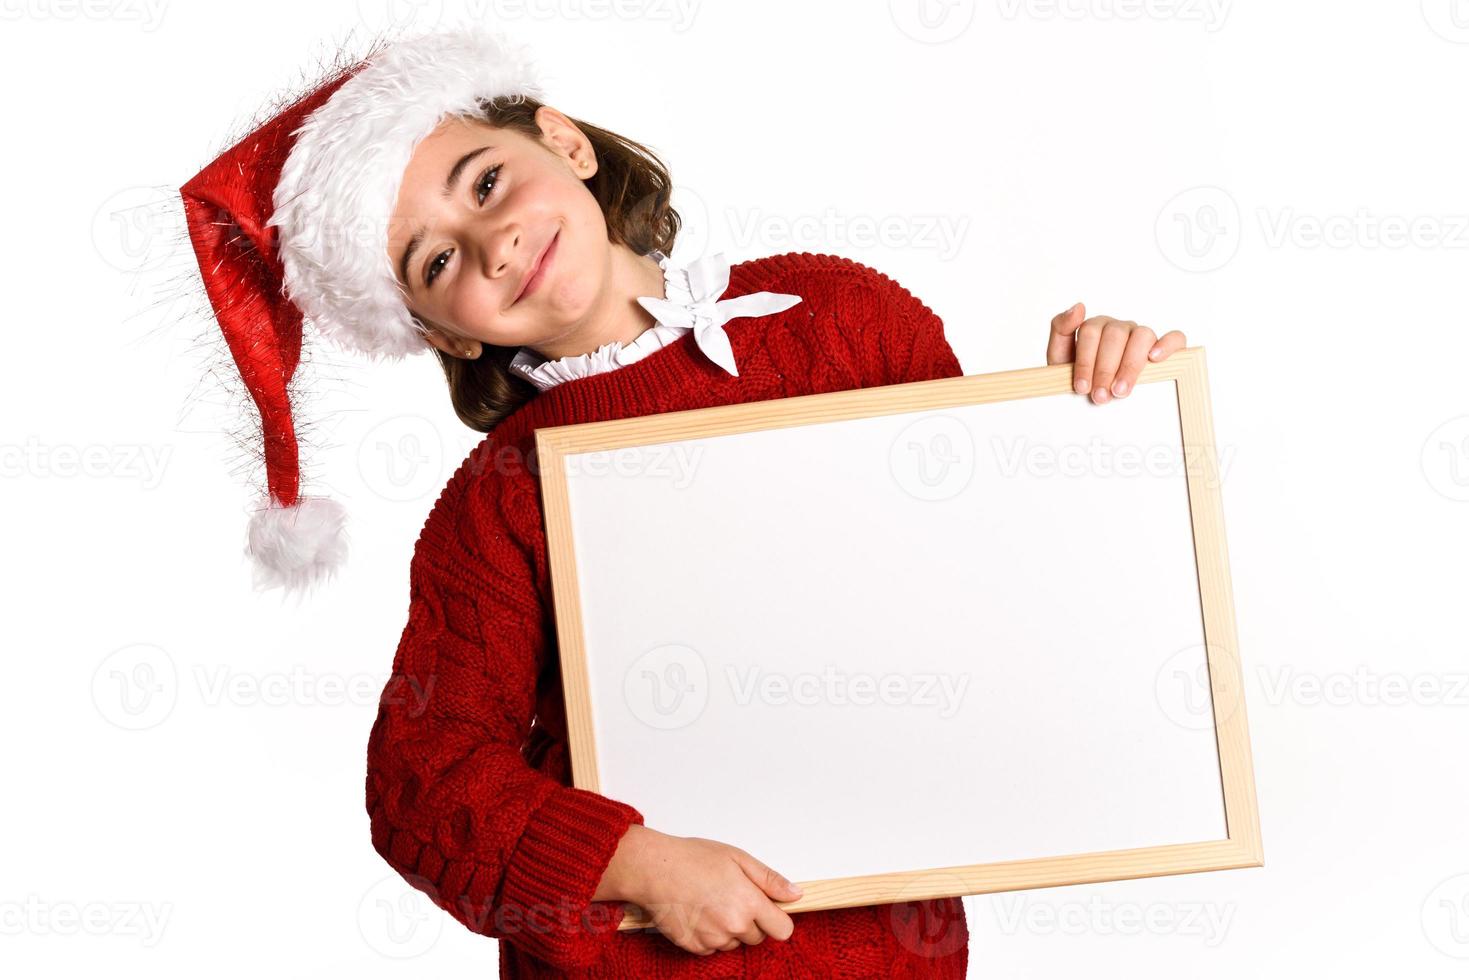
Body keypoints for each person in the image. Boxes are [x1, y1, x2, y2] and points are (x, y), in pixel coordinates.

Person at [177, 24, 1186, 979]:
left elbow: (988, 582)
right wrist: (631, 863)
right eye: (435, 261)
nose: (489, 242)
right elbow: (420, 777)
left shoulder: (840, 320)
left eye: (484, 182)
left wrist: (1079, 406)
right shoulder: (496, 501)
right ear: (440, 332)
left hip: (885, 945)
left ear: (562, 141)